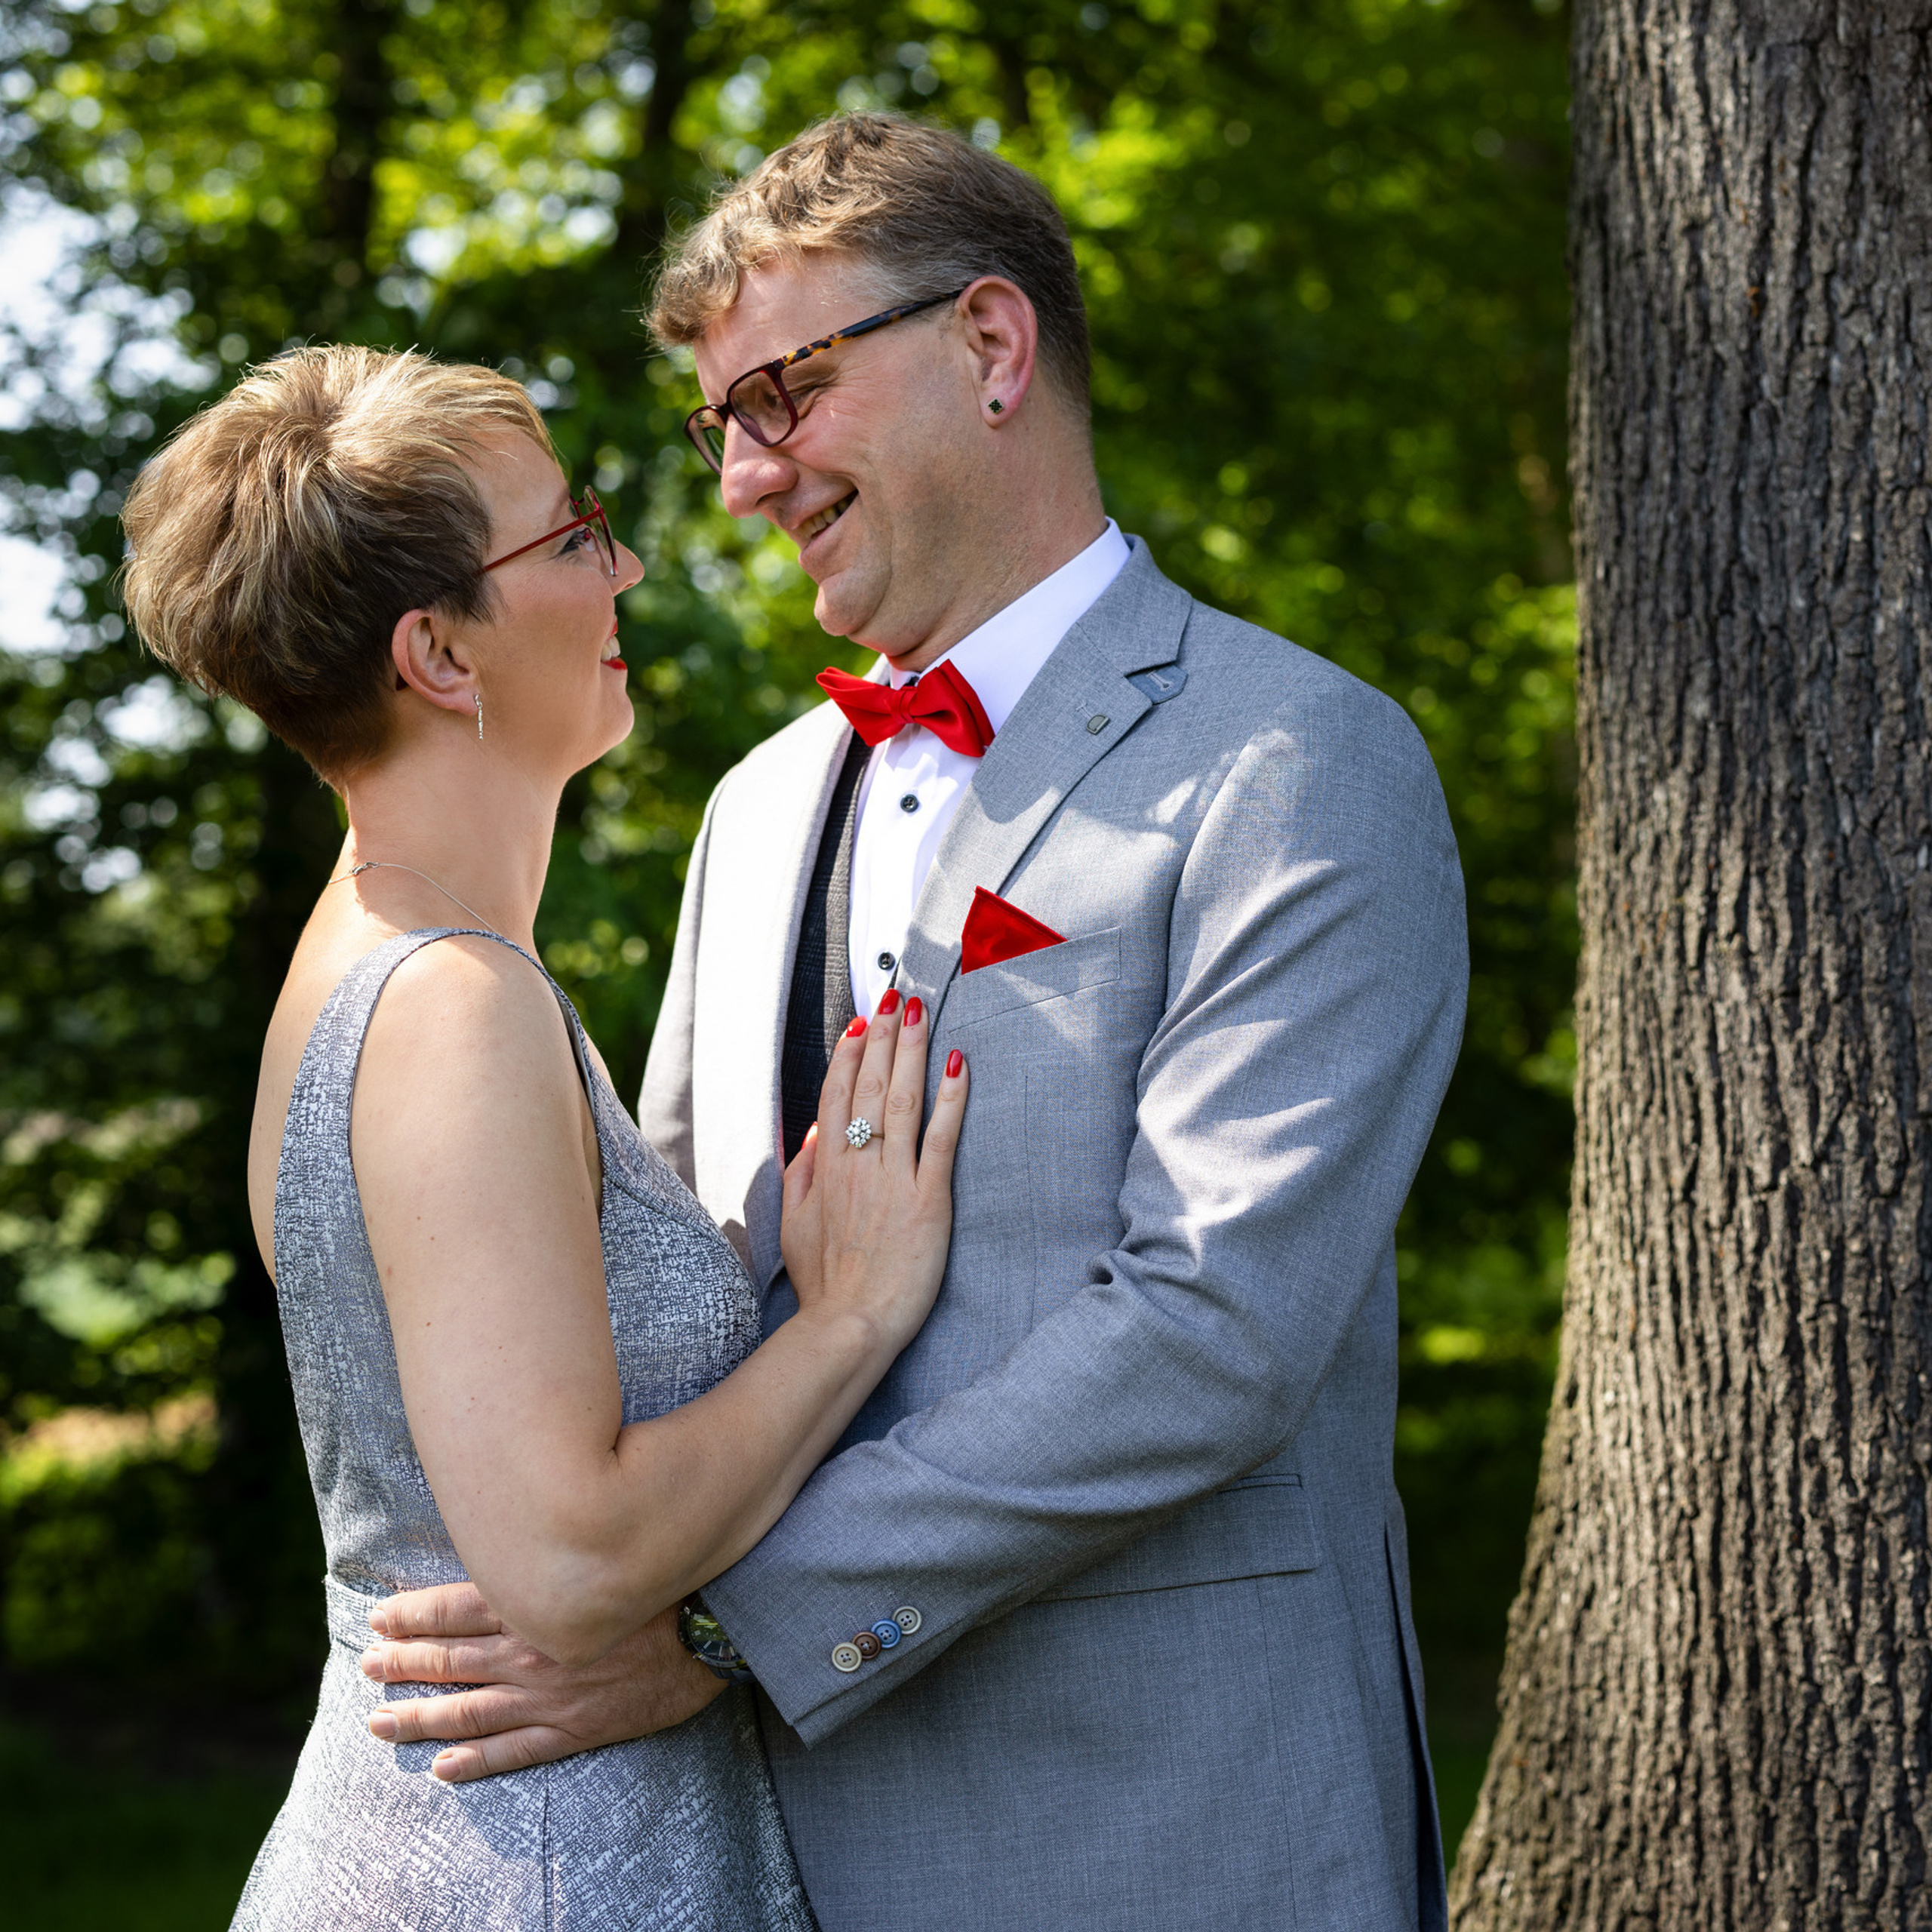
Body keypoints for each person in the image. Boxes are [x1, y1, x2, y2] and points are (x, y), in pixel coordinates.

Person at [360, 114, 1469, 1930]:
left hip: (1170, 1832)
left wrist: (727, 1627)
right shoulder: (753, 804)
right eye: (719, 424)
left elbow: (1212, 1328)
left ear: (989, 345)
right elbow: (674, 1271)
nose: (738, 478)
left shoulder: (1297, 760)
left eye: (781, 394)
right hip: (768, 1852)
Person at [119, 342, 971, 1930]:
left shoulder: (379, 952)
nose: (628, 561)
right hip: (529, 1872)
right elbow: (570, 1556)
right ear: (439, 650)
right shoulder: (447, 1002)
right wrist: (852, 1312)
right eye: (574, 534)